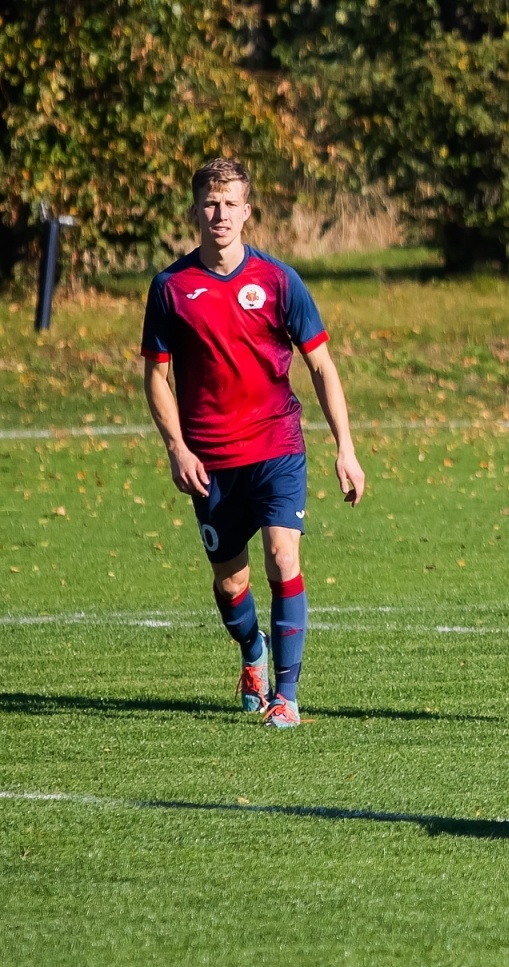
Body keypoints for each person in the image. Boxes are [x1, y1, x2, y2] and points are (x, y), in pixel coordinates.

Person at [141, 158, 365, 729]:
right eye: (210, 204)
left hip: (277, 446)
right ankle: (252, 652)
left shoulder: (278, 280)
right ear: (195, 210)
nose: (220, 214)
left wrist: (345, 447)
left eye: (230, 204)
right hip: (211, 460)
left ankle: (285, 698)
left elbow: (321, 365)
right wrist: (176, 448)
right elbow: (156, 377)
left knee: (283, 557)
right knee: (230, 581)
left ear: (247, 211)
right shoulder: (171, 287)